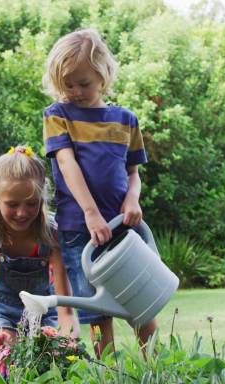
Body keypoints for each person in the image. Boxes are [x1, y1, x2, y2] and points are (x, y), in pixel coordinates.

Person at [42, 28, 157, 357]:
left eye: (84, 83)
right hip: (80, 230)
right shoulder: (57, 115)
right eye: (68, 84)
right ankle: (110, 374)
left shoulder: (126, 120)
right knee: (98, 314)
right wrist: (91, 213)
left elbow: (133, 174)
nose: (76, 91)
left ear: (103, 76)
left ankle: (155, 371)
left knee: (143, 304)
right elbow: (66, 164)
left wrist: (132, 199)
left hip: (122, 227)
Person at [0, 145, 78, 377]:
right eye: (12, 204)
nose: (22, 213)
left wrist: (67, 338)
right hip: (0, 311)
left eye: (31, 203)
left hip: (45, 312)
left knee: (48, 368)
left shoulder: (53, 232)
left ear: (42, 196)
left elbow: (66, 310)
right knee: (10, 365)